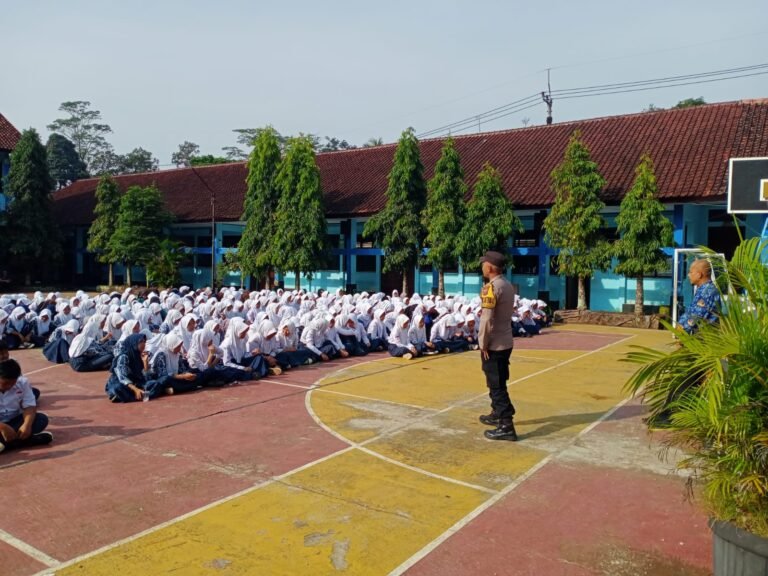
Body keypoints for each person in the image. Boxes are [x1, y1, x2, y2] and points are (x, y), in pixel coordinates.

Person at [478, 251, 519, 441]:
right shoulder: (508, 285)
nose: (482, 267)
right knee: (499, 379)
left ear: (490, 267)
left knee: (496, 384)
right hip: (506, 340)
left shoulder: (491, 288)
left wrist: (483, 343)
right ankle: (498, 412)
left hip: (494, 343)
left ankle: (506, 425)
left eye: (483, 264)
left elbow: (486, 319)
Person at [0, 359, 53, 453]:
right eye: (5, 383)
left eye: (12, 383)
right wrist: (2, 427)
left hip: (15, 421)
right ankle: (26, 442)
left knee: (41, 419)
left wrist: (26, 425)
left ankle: (5, 445)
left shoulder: (23, 383)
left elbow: (29, 406)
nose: (9, 387)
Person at [104, 333, 166, 402]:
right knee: (118, 388)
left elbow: (144, 377)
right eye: (140, 342)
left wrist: (145, 363)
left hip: (135, 382)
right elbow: (122, 378)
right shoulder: (123, 357)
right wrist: (135, 389)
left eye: (144, 342)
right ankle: (139, 395)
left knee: (155, 384)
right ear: (133, 343)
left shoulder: (138, 355)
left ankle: (132, 397)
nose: (143, 344)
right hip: (121, 382)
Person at [678, 258, 721, 334]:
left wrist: (682, 329)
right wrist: (680, 324)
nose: (688, 275)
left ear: (699, 275)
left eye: (691, 272)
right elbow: (690, 312)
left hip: (705, 340)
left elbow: (697, 316)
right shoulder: (702, 290)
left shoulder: (707, 291)